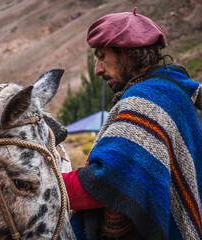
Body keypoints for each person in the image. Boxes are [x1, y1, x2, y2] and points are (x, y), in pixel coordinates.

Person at [62, 7, 202, 240]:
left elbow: (107, 180)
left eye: (102, 57)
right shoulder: (171, 91)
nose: (97, 70)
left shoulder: (146, 100)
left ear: (129, 53)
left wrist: (47, 184)